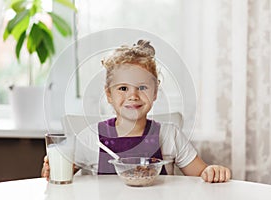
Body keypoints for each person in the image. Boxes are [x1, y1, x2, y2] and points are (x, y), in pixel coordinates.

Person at [41, 40, 231, 183]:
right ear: (109, 95)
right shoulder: (91, 138)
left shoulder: (169, 135)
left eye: (142, 87)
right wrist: (53, 167)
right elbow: (61, 174)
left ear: (155, 92)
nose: (133, 96)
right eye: (123, 88)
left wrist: (212, 172)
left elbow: (201, 175)